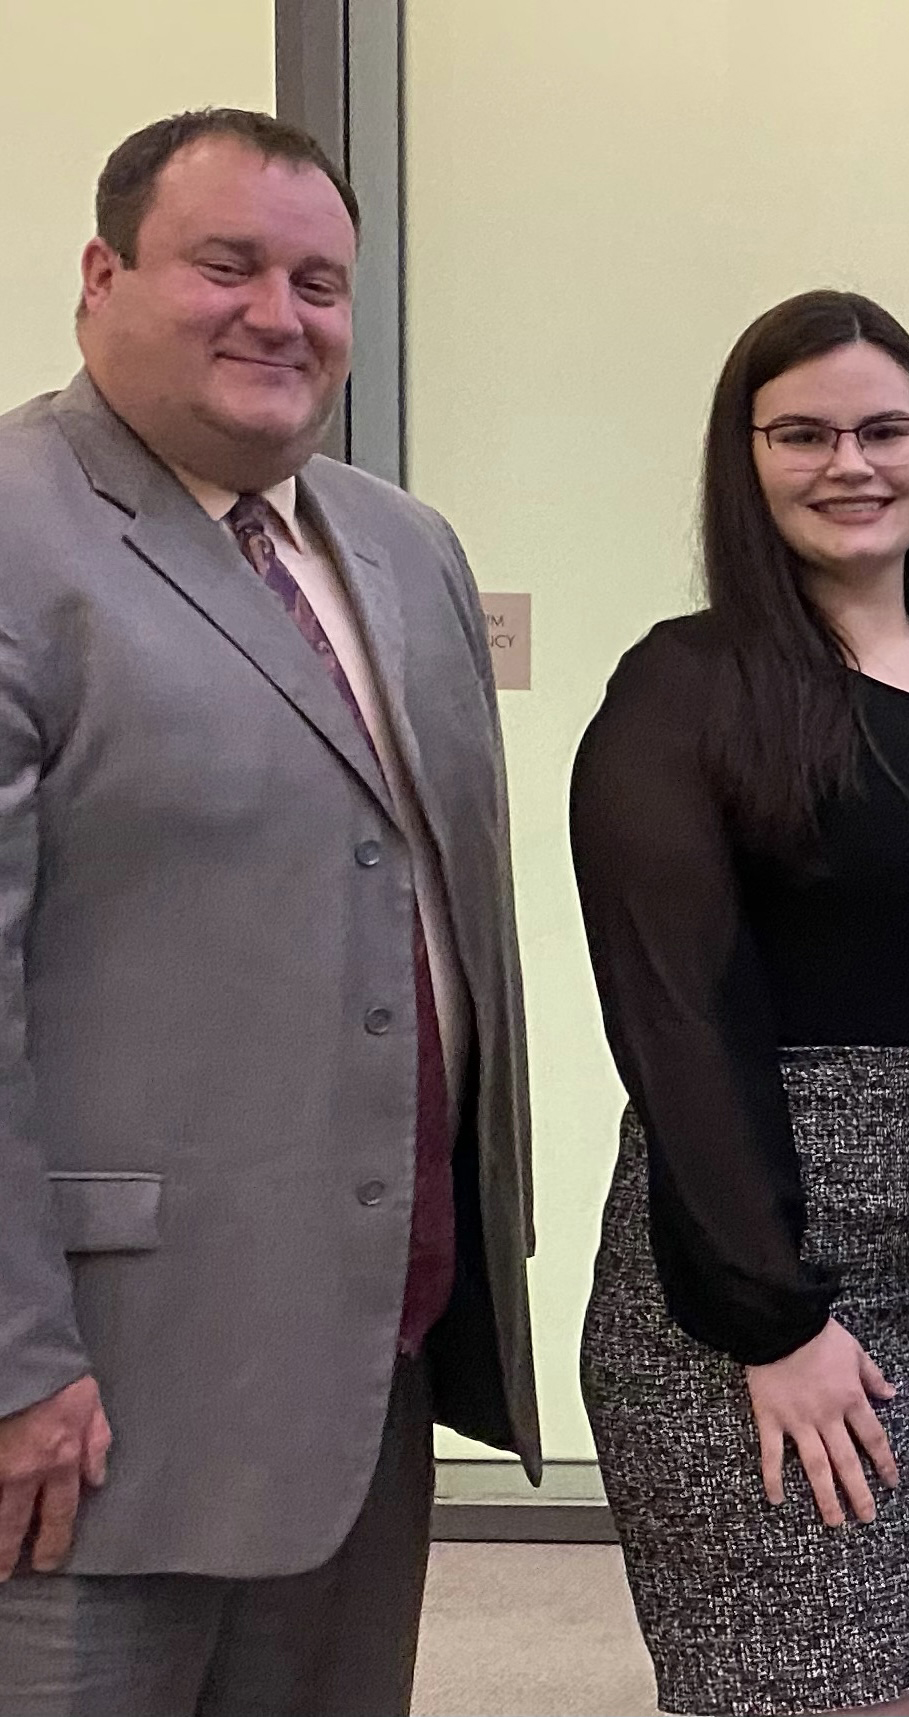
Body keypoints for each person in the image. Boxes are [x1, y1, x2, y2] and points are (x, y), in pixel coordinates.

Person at [0, 109, 535, 1713]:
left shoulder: (404, 547)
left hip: (367, 1355)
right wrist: (15, 1361)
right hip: (97, 1396)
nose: (277, 314)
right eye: (224, 264)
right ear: (101, 277)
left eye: (319, 280)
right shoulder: (19, 536)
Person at [569, 289, 909, 1717]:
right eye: (802, 433)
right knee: (802, 1689)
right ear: (742, 462)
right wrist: (774, 1318)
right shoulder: (684, 687)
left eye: (885, 428)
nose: (850, 463)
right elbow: (676, 1017)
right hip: (764, 1293)